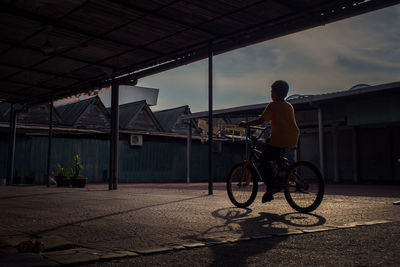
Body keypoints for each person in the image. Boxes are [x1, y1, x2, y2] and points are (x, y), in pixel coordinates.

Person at [239, 80, 300, 203]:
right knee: (272, 150)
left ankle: (272, 187)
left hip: (280, 138)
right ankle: (281, 175)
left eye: (272, 91)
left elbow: (261, 120)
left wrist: (246, 124)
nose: (271, 93)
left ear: (276, 93)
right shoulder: (288, 106)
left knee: (263, 161)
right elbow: (282, 121)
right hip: (292, 137)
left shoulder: (273, 105)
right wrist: (270, 126)